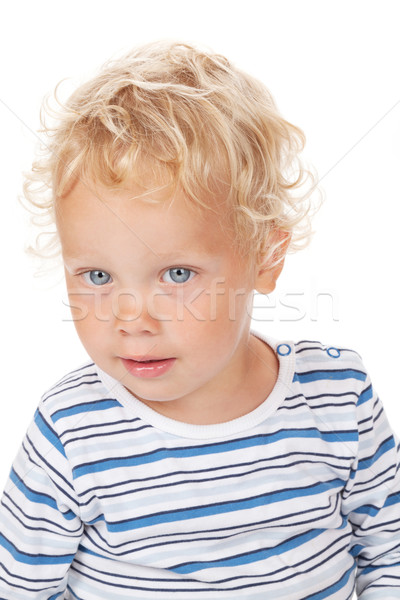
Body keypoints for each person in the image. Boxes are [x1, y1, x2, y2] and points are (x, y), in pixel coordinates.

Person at [0, 41, 398, 600]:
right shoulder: (72, 432)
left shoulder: (338, 396)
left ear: (266, 257)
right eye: (96, 276)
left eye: (177, 275)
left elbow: (388, 546)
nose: (130, 318)